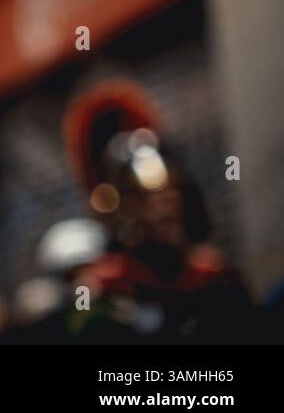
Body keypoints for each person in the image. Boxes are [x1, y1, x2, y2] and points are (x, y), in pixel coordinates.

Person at [57, 79, 259, 343]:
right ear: (122, 208)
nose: (166, 206)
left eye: (170, 191)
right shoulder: (103, 299)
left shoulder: (218, 281)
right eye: (144, 197)